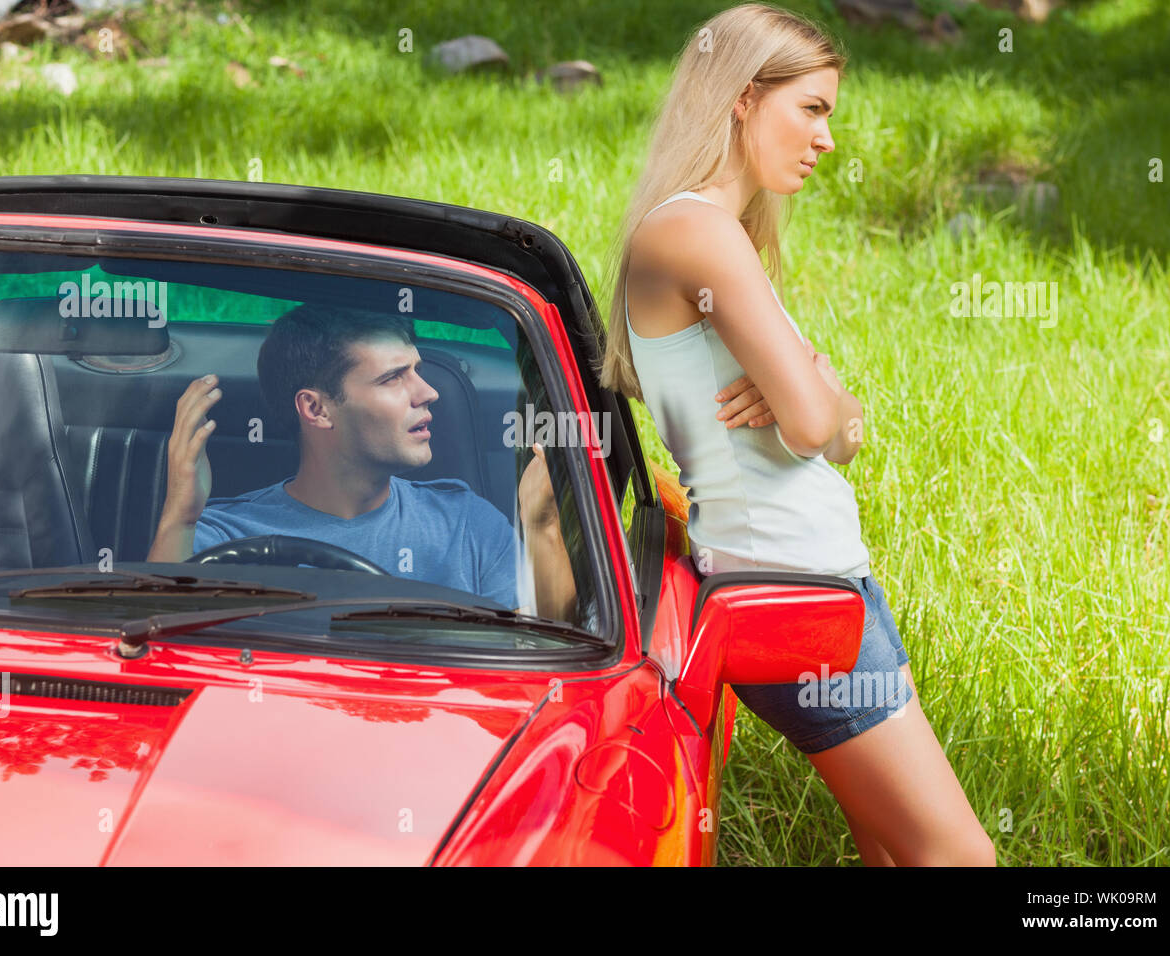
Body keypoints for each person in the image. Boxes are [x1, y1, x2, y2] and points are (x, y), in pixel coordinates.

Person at [595, 3, 994, 866]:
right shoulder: (692, 231)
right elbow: (821, 421)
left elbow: (845, 430)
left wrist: (816, 393)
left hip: (819, 581)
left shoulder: (720, 235)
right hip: (794, 591)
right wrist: (811, 388)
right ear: (743, 97)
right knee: (960, 858)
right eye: (810, 108)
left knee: (894, 851)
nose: (827, 139)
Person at [146, 303, 579, 623]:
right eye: (393, 378)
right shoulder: (226, 537)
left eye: (416, 370)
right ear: (316, 409)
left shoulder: (466, 523)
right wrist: (178, 519)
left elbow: (544, 646)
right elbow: (156, 638)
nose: (428, 392)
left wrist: (542, 527)